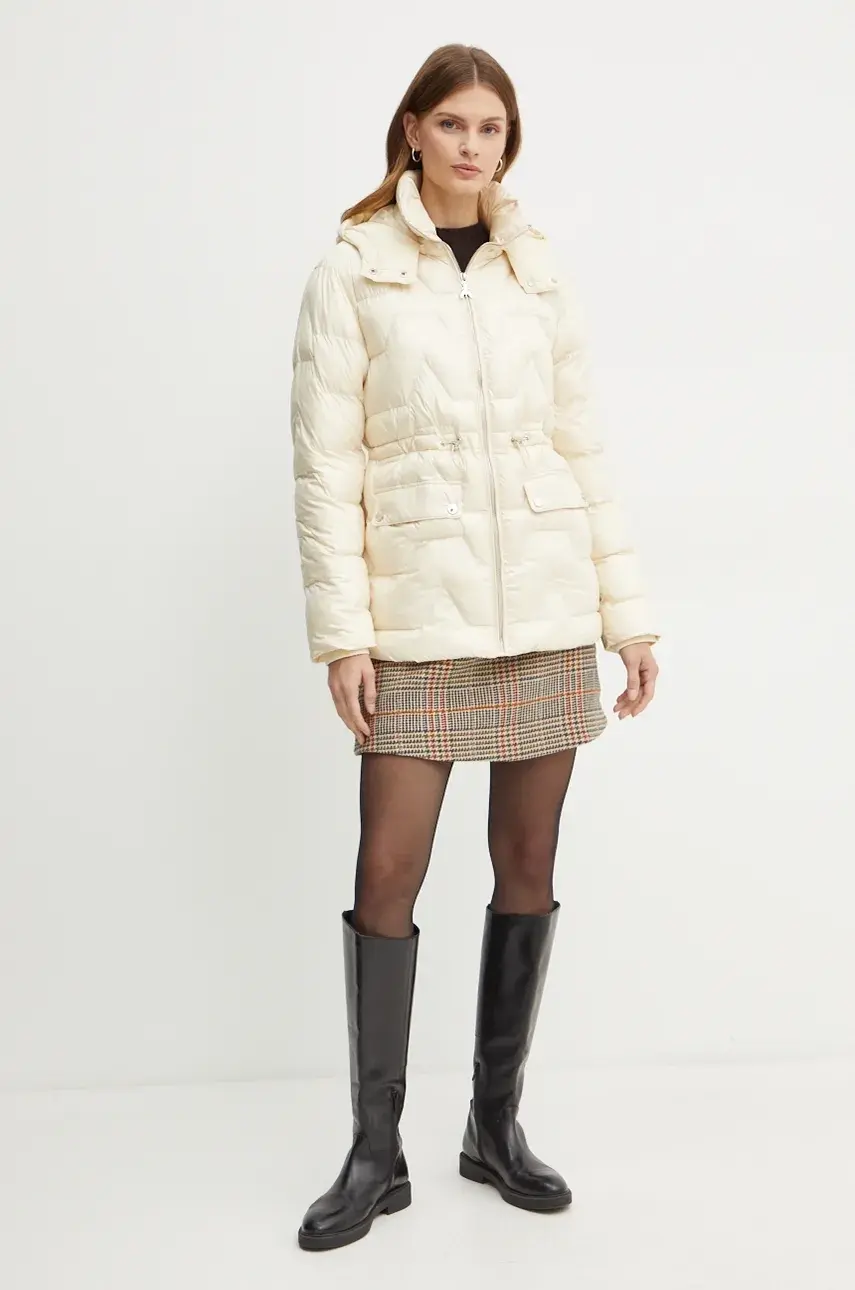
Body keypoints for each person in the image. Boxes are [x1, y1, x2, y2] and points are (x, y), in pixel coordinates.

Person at [289, 42, 661, 1252]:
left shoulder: (535, 272)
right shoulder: (353, 271)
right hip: (417, 618)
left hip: (544, 610)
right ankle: (375, 1152)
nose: (471, 146)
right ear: (412, 131)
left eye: (491, 128)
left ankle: (493, 1128)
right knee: (386, 874)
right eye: (452, 123)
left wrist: (627, 616)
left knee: (527, 865)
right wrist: (344, 635)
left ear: (509, 144)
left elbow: (583, 448)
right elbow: (325, 468)